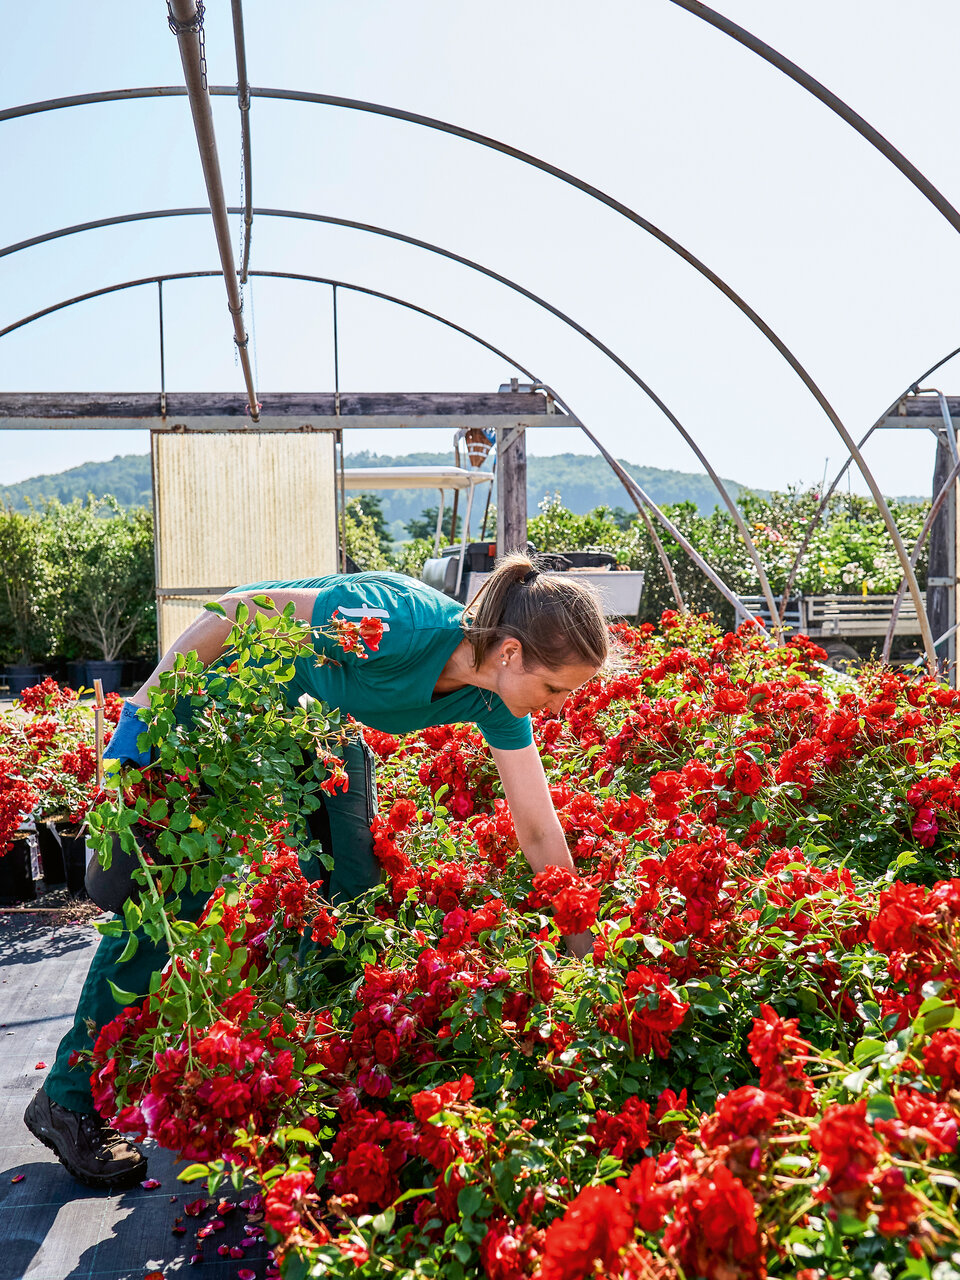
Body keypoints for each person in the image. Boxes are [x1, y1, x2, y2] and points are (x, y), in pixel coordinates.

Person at [24, 554, 609, 1189]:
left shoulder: (495, 700)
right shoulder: (396, 626)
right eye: (557, 690)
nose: (558, 709)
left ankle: (321, 1072)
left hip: (306, 720)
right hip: (211, 707)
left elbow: (540, 830)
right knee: (167, 907)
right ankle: (66, 1100)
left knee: (351, 890)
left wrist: (585, 965)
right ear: (513, 653)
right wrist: (148, 711)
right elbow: (237, 611)